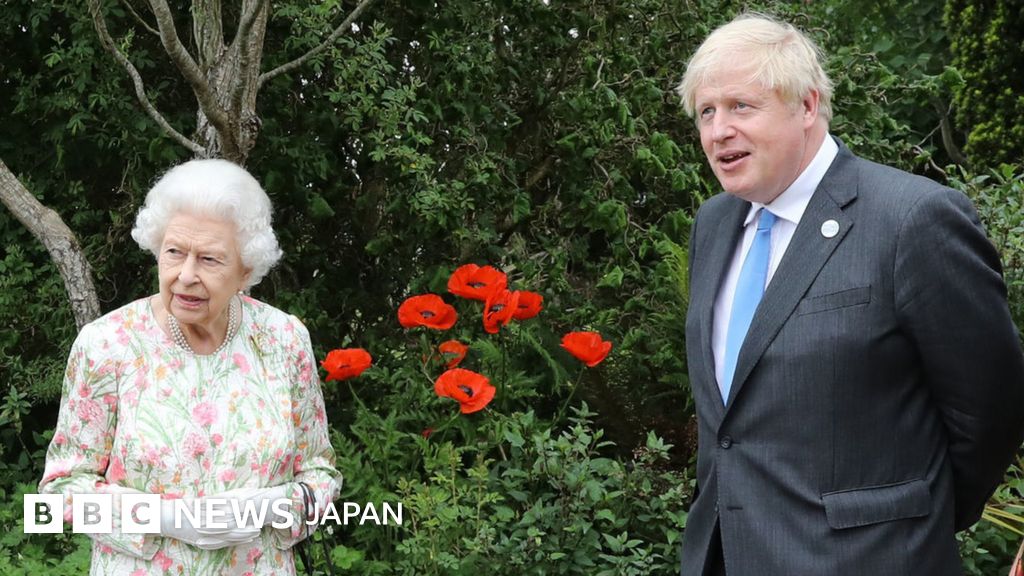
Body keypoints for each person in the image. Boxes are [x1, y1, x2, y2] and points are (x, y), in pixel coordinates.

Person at [675, 13, 1024, 576]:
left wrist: (910, 522)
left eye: (741, 106)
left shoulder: (912, 219)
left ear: (807, 106)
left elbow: (992, 409)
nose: (719, 131)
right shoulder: (714, 225)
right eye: (707, 112)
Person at [39, 159, 342, 575]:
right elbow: (61, 491)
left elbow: (320, 474)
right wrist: (166, 519)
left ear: (245, 271)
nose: (185, 275)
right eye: (174, 252)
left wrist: (271, 507)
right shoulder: (107, 344)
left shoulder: (283, 340)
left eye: (209, 259)